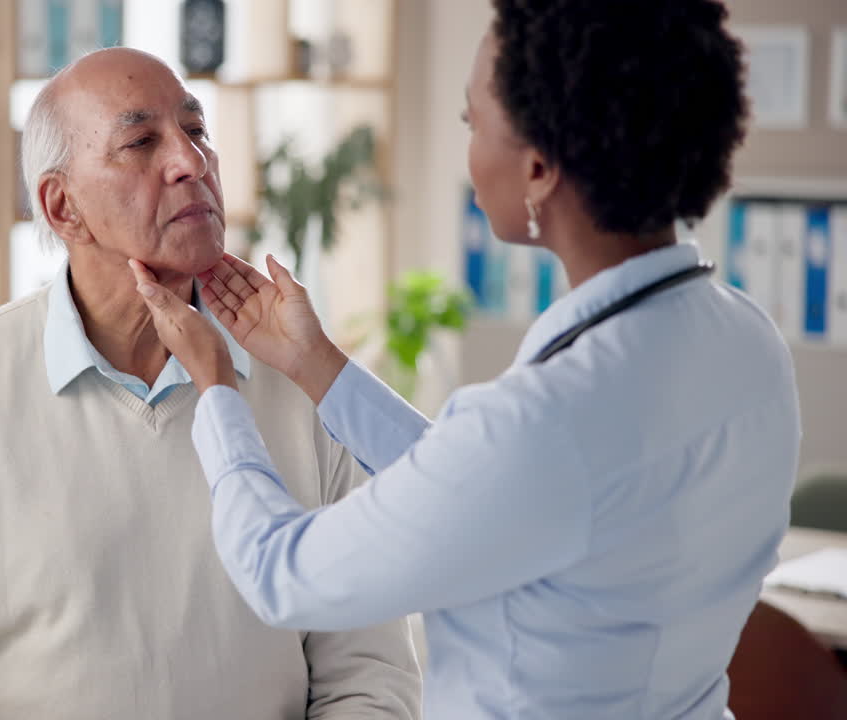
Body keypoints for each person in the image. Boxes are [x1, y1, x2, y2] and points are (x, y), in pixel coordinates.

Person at [130, 1, 801, 718]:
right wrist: (315, 364)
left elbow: (282, 574)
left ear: (539, 167)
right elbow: (496, 491)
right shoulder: (746, 341)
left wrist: (217, 387)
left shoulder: (549, 422)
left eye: (471, 124)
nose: (467, 147)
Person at [0, 48, 420, 719]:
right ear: (62, 208)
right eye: (141, 142)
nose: (191, 162)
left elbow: (371, 678)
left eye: (197, 131)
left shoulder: (303, 386)